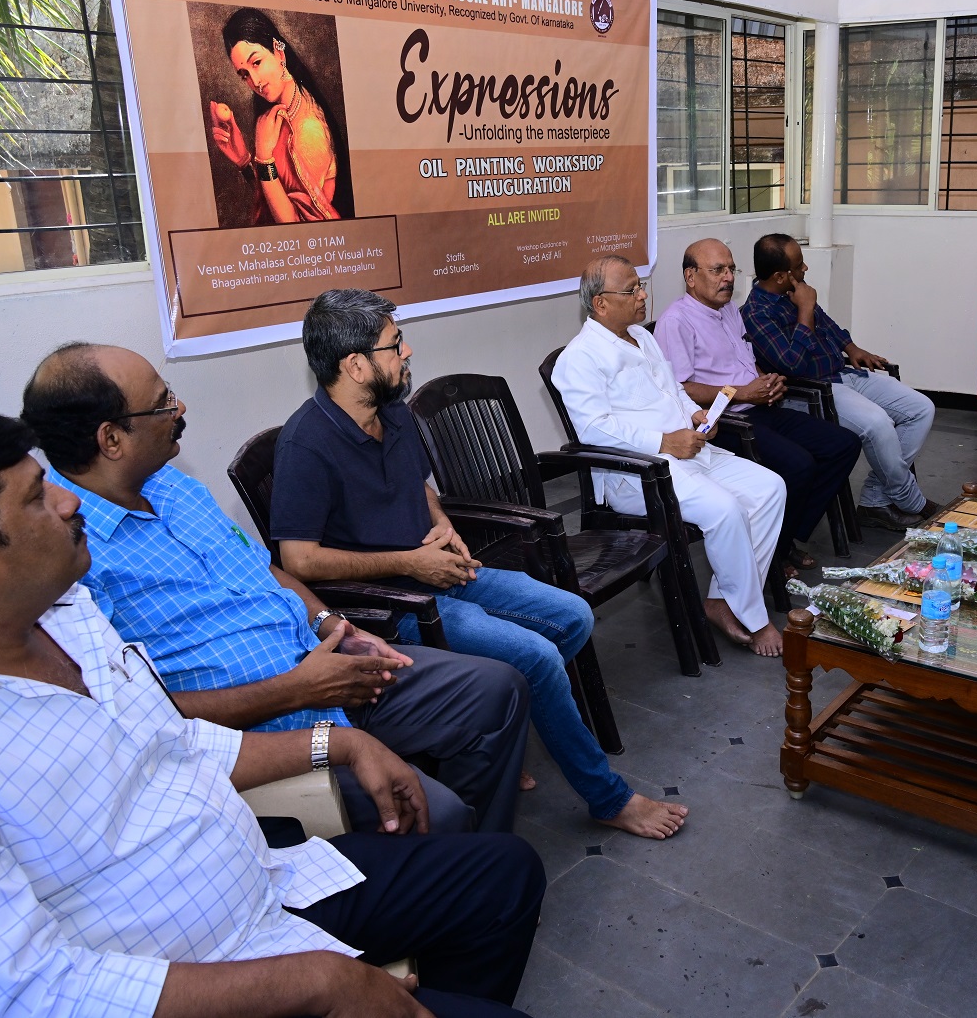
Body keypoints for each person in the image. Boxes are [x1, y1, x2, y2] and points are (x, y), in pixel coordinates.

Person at [0, 401, 543, 1018]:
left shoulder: (64, 612)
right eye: (33, 497)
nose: (66, 501)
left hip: (259, 887)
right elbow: (34, 995)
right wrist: (323, 982)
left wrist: (338, 742)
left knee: (504, 874)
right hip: (183, 977)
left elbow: (171, 742)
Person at [22, 343, 530, 837]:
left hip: (326, 666)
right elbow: (139, 717)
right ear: (111, 439)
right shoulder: (71, 558)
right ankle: (456, 863)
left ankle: (476, 863)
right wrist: (298, 689)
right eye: (162, 402)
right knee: (438, 815)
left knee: (498, 690)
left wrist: (332, 625)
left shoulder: (172, 486)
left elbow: (260, 567)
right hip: (267, 734)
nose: (180, 407)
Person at [273, 289, 688, 840]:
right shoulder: (306, 444)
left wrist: (442, 523)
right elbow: (298, 559)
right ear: (355, 365)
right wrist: (411, 563)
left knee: (573, 616)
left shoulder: (390, 411)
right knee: (537, 657)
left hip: (439, 570)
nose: (407, 351)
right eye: (395, 344)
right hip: (395, 604)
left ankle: (497, 725)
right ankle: (607, 797)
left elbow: (419, 486)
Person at [553, 257, 788, 658]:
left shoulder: (641, 336)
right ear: (600, 303)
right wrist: (664, 442)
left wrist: (696, 415)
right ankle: (753, 617)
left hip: (688, 451)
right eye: (631, 290)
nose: (642, 295)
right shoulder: (580, 358)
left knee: (770, 488)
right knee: (726, 509)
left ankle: (721, 600)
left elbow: (672, 388)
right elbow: (594, 430)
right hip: (638, 473)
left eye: (640, 285)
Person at [652, 237, 860, 575]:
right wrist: (743, 393)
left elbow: (744, 361)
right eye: (717, 270)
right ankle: (776, 550)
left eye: (731, 269)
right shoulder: (676, 321)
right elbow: (680, 389)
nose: (728, 278)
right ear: (691, 276)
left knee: (843, 444)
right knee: (799, 465)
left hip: (758, 406)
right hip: (722, 422)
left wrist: (767, 381)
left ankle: (779, 539)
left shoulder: (729, 310)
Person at [742, 234, 938, 531]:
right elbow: (792, 365)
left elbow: (826, 323)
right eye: (799, 264)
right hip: (812, 391)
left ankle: (875, 500)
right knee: (877, 424)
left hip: (842, 373)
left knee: (920, 409)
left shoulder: (794, 290)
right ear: (780, 276)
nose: (805, 268)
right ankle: (912, 501)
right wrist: (805, 310)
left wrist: (852, 348)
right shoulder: (756, 314)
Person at [207, 7, 350, 224]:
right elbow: (274, 199)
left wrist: (264, 158)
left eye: (257, 63)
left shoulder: (308, 129)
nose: (255, 82)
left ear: (279, 52)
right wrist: (244, 161)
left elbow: (295, 227)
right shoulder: (278, 112)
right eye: (244, 75)